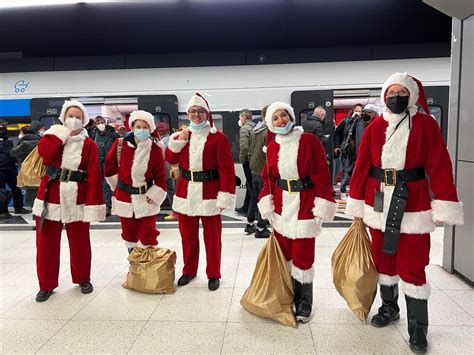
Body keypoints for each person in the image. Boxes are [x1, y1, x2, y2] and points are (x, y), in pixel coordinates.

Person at [345, 73, 464, 353]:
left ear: (411, 95)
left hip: (413, 205)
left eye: (401, 91)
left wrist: (445, 201)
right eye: (391, 91)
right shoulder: (374, 126)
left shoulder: (425, 125)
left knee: (412, 266)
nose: (395, 96)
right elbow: (362, 164)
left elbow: (439, 164)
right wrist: (356, 201)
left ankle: (418, 328)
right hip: (378, 203)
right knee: (384, 262)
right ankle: (389, 308)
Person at [258, 102, 337, 322]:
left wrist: (322, 205)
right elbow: (268, 178)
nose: (281, 120)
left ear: (292, 117)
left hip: (305, 204)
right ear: (270, 124)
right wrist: (267, 202)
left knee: (303, 254)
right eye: (275, 118)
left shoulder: (309, 141)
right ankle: (290, 295)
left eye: (284, 115)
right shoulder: (273, 146)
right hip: (282, 206)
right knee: (285, 255)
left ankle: (305, 302)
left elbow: (322, 173)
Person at [32, 100, 106, 302]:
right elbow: (45, 155)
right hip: (50, 197)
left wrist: (93, 205)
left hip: (77, 198)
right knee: (46, 244)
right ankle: (46, 285)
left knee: (80, 242)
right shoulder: (51, 136)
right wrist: (63, 136)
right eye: (70, 116)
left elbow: (93, 175)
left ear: (84, 120)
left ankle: (83, 278)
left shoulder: (89, 144)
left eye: (78, 116)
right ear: (63, 117)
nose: (74, 120)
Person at [165, 93, 236, 291]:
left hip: (210, 194)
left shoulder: (217, 138)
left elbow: (227, 170)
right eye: (193, 112)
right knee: (187, 237)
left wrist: (225, 195)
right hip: (186, 192)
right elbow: (170, 157)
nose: (196, 115)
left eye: (200, 111)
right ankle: (189, 270)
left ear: (207, 113)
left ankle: (213, 273)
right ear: (188, 114)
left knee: (212, 239)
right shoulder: (181, 136)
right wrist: (179, 140)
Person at [104, 111, 167, 253]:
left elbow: (160, 175)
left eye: (145, 127)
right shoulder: (120, 144)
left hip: (146, 198)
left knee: (148, 234)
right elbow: (109, 167)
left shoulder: (156, 149)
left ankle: (148, 266)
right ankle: (135, 268)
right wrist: (118, 187)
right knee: (129, 235)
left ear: (150, 129)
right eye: (138, 126)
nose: (141, 130)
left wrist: (156, 193)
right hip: (124, 198)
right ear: (132, 127)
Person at [247, 105, 271, 238]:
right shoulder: (268, 132)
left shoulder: (256, 129)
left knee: (254, 197)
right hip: (263, 169)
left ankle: (249, 223)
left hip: (254, 168)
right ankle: (261, 228)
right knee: (265, 198)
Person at [10, 121, 45, 208]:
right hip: (42, 171)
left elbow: (13, 152)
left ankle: (37, 214)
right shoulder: (42, 141)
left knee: (30, 197)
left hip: (29, 172)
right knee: (40, 194)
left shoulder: (25, 143)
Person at [90, 115, 120, 216]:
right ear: (95, 125)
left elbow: (119, 146)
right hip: (99, 164)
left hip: (111, 164)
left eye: (101, 122)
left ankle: (117, 205)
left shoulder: (112, 133)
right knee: (104, 186)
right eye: (98, 123)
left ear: (105, 122)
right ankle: (107, 206)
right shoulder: (93, 134)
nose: (100, 125)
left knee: (113, 185)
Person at [0, 120, 30, 215]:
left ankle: (18, 207)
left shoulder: (8, 140)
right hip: (0, 169)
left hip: (11, 168)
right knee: (1, 191)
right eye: (3, 125)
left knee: (16, 188)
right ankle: (3, 210)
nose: (5, 127)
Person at [334, 103, 363, 200]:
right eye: (356, 110)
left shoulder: (362, 122)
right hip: (346, 150)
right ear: (352, 111)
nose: (358, 113)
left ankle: (354, 193)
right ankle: (343, 191)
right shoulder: (346, 121)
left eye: (360, 111)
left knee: (356, 173)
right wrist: (337, 146)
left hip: (358, 150)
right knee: (346, 171)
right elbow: (337, 133)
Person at [156, 122, 178, 221]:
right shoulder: (166, 139)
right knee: (171, 190)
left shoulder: (165, 140)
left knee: (171, 190)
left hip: (167, 168)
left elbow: (162, 154)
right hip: (168, 168)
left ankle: (176, 211)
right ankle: (175, 210)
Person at [236, 109, 255, 218]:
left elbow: (244, 146)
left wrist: (242, 160)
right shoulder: (255, 126)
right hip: (254, 159)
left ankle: (251, 210)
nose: (239, 120)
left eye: (240, 117)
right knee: (250, 183)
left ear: (243, 117)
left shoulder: (244, 128)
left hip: (248, 161)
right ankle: (246, 206)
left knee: (251, 185)